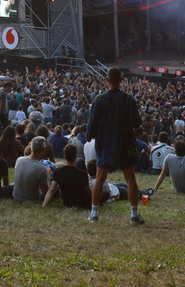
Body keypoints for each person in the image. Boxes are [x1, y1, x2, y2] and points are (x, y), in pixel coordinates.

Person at [86, 66, 145, 224]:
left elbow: (92, 124)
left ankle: (94, 214)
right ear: (121, 80)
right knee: (130, 179)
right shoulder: (128, 99)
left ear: (107, 80)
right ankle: (133, 215)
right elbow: (136, 123)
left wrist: (88, 135)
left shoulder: (99, 100)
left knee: (99, 178)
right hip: (125, 143)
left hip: (105, 143)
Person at [43, 143, 91, 209]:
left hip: (67, 202)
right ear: (75, 157)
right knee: (105, 194)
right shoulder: (82, 173)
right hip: (82, 203)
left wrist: (44, 205)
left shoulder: (58, 172)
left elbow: (52, 190)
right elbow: (88, 191)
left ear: (64, 156)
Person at [12, 136, 50, 202]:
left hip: (16, 197)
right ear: (43, 150)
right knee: (56, 188)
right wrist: (48, 178)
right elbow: (46, 192)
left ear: (31, 148)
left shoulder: (19, 160)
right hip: (32, 199)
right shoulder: (42, 169)